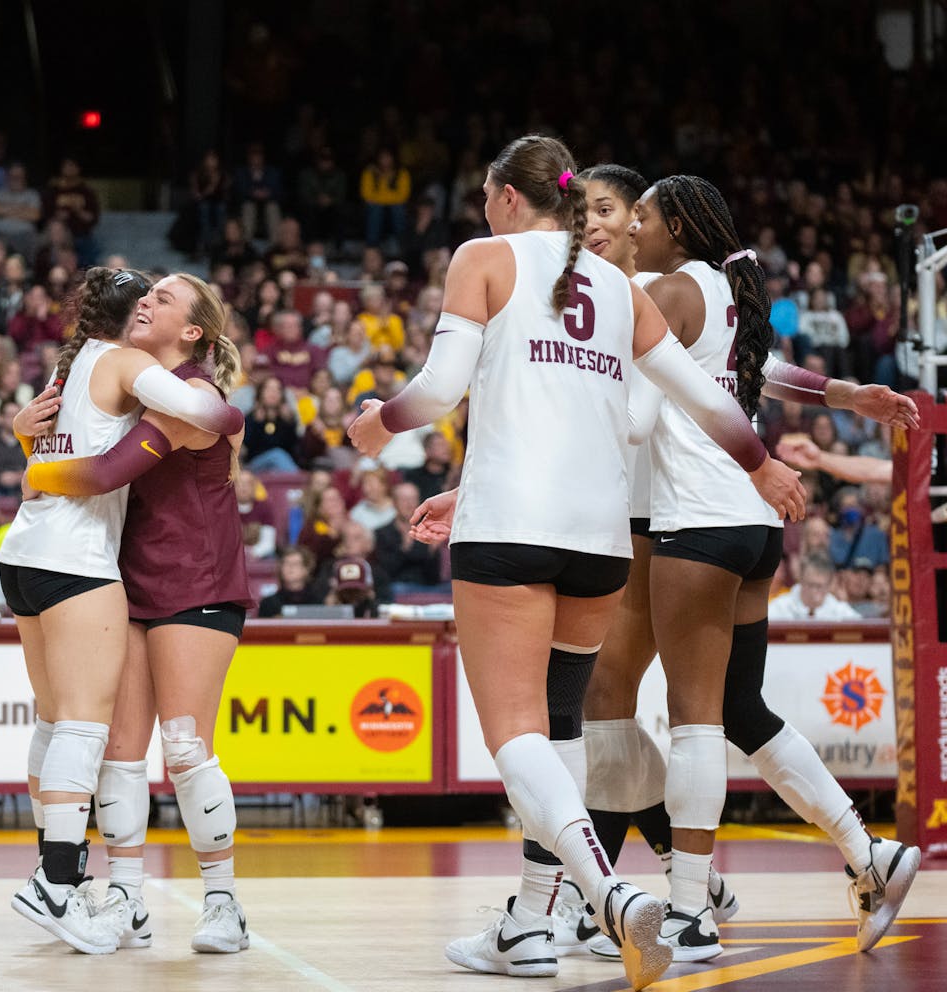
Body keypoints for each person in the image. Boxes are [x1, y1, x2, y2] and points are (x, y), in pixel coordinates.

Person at [346, 135, 805, 990]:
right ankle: (527, 922)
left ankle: (608, 894)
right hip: (601, 542)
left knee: (516, 734)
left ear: (507, 196)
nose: (483, 208)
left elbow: (440, 389)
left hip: (514, 524)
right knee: (560, 729)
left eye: (486, 194)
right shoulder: (621, 288)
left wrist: (379, 425)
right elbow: (707, 395)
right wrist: (762, 463)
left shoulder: (483, 257)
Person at [618, 174, 919, 960]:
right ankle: (870, 853)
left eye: (642, 217)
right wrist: (847, 394)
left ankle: (688, 911)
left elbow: (629, 402)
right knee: (741, 709)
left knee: (694, 723)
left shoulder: (659, 287)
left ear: (677, 227)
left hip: (701, 520)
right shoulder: (722, 289)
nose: (634, 231)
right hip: (755, 530)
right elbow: (765, 372)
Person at [0, 266, 244, 955]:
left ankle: (223, 902)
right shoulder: (119, 380)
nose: (147, 302)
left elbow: (99, 474)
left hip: (196, 580)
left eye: (162, 298)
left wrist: (32, 470)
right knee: (120, 755)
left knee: (188, 748)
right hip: (118, 578)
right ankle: (126, 899)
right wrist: (27, 432)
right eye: (145, 294)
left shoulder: (189, 394)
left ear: (190, 330)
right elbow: (76, 445)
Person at [766, 552, 860, 620]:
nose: (815, 591)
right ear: (801, 580)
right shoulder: (780, 607)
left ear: (829, 585)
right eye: (811, 585)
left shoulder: (839, 611)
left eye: (820, 586)